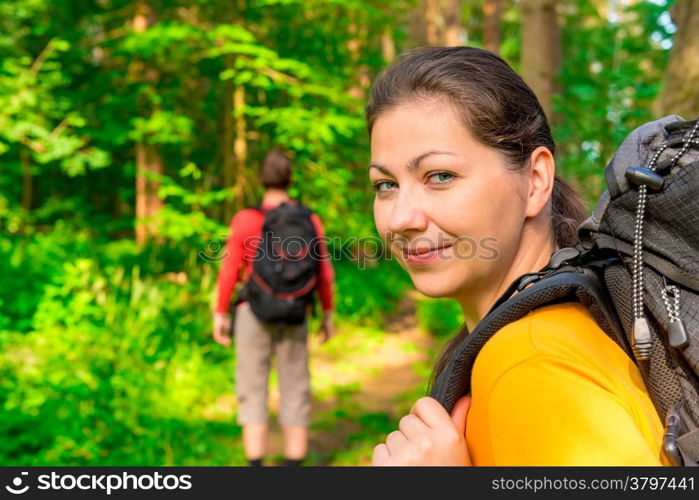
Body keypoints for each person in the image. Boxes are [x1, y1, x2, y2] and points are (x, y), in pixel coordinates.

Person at [366, 47, 669, 466]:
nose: (400, 218)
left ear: (535, 180)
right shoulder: (556, 325)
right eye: (385, 185)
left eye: (439, 176)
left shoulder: (531, 363)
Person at [212, 149, 335, 467]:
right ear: (290, 179)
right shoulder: (308, 218)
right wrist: (328, 314)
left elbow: (229, 270)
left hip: (253, 312)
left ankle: (256, 468)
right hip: (296, 312)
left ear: (260, 179)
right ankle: (293, 467)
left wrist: (220, 312)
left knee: (252, 387)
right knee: (295, 386)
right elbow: (323, 271)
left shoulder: (246, 219)